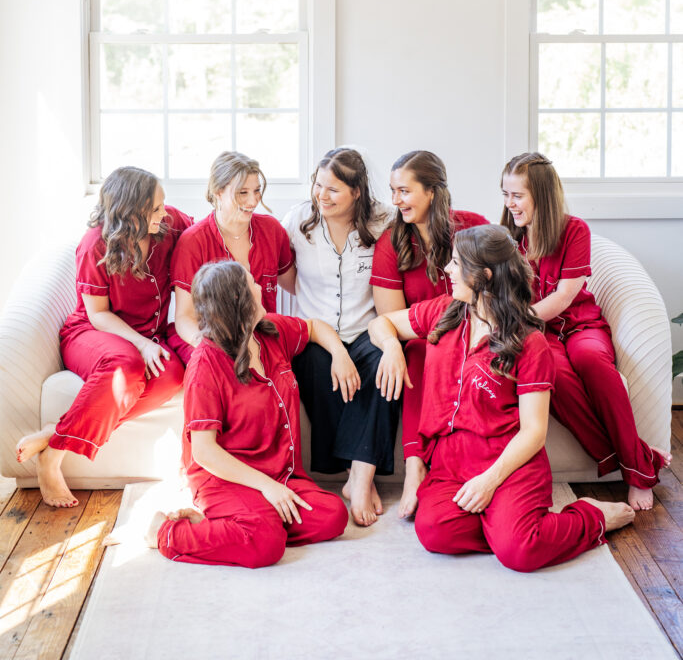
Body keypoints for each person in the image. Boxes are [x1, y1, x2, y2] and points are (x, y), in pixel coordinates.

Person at [368, 224, 636, 570]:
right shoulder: (444, 312)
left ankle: (591, 516)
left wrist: (490, 481)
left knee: (520, 553)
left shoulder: (530, 343)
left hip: (507, 462)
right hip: (451, 462)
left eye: (455, 263)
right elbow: (381, 324)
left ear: (484, 276)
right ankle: (512, 527)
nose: (446, 270)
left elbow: (533, 432)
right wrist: (391, 346)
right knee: (434, 532)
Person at [146, 260, 349, 566]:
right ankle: (164, 532)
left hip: (279, 474)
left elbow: (314, 327)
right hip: (225, 479)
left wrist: (340, 354)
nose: (259, 287)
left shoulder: (269, 332)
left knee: (333, 515)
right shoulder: (205, 366)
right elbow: (204, 452)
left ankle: (232, 525)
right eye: (252, 283)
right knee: (266, 543)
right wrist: (266, 487)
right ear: (238, 303)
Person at [501, 151, 672, 510]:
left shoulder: (574, 229)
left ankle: (636, 474)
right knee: (555, 375)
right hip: (540, 334)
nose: (510, 204)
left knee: (593, 363)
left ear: (542, 196)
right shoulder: (507, 241)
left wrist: (519, 317)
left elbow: (565, 296)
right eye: (505, 194)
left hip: (581, 325)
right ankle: (639, 460)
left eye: (517, 195)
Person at [16, 167, 191, 507]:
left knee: (171, 374)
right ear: (131, 210)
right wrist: (141, 344)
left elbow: (205, 231)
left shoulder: (168, 226)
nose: (163, 213)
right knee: (124, 368)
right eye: (155, 208)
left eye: (162, 205)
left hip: (144, 337)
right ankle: (51, 460)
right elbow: (97, 313)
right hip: (92, 331)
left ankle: (57, 435)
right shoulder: (94, 244)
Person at [282, 147, 399, 527]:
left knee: (385, 366)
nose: (322, 196)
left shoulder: (385, 221)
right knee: (316, 366)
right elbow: (286, 278)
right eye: (318, 186)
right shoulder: (298, 221)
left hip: (367, 328)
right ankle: (356, 470)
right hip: (317, 333)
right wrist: (333, 347)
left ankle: (360, 477)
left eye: (333, 190)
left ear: (357, 192)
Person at [370, 150, 488, 518]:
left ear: (432, 191)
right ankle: (415, 464)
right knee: (421, 352)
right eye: (392, 191)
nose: (395, 200)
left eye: (404, 191)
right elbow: (391, 317)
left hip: (477, 330)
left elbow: (501, 286)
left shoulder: (471, 228)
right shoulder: (391, 243)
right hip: (423, 334)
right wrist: (391, 345)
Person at [168, 151, 295, 364]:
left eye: (257, 191)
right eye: (243, 193)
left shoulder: (272, 230)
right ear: (218, 192)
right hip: (211, 340)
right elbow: (184, 317)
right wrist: (214, 349)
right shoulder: (193, 241)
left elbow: (297, 286)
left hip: (261, 337)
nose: (253, 201)